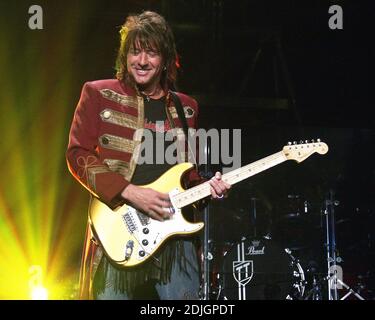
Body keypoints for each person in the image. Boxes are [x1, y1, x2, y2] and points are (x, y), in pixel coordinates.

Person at [66, 10, 230, 300]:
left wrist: (208, 189)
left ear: (166, 59)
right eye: (135, 52)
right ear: (124, 55)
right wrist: (130, 192)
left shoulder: (186, 107)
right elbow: (78, 154)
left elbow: (187, 175)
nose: (141, 62)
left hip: (174, 241)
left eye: (151, 53)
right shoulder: (97, 93)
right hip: (119, 230)